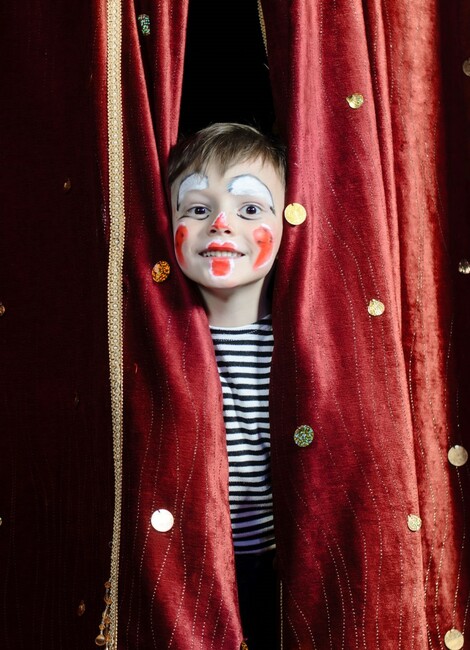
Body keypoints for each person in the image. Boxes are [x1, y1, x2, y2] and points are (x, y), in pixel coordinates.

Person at [168, 123, 286, 649]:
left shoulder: (306, 347)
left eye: (250, 208)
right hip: (182, 572)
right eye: (196, 208)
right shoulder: (152, 344)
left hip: (276, 572)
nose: (220, 222)